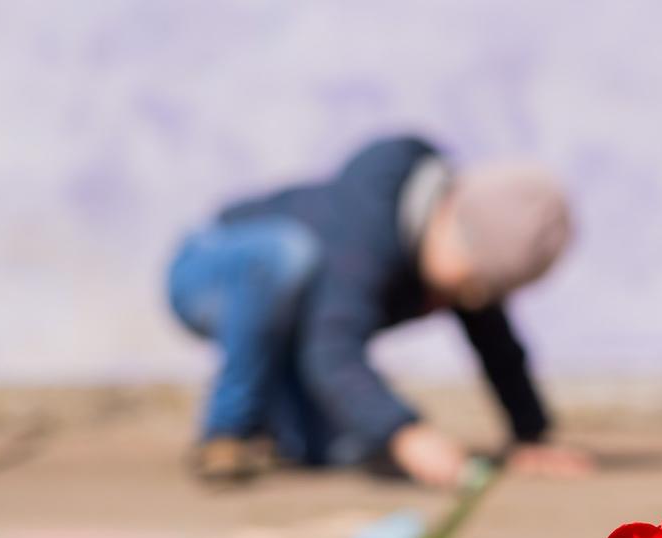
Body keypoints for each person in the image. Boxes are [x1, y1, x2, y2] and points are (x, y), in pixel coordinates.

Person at [167, 134, 591, 488]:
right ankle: (227, 431)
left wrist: (531, 433)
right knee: (283, 258)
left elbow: (498, 346)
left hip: (295, 325)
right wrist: (404, 432)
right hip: (211, 267)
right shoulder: (365, 231)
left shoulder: (455, 264)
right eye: (473, 279)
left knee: (341, 450)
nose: (473, 296)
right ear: (449, 217)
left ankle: (280, 430)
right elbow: (332, 350)